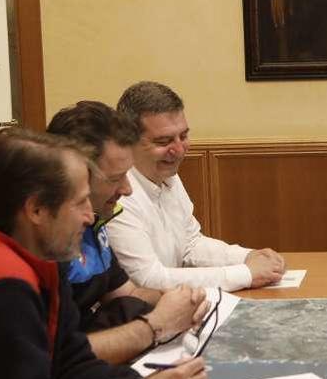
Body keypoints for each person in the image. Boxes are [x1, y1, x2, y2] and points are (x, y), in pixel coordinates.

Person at [0, 127, 205, 379]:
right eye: (79, 203)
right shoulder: (5, 285)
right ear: (37, 210)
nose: (90, 217)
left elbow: (72, 364)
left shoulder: (46, 262)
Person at [47, 100, 209, 365]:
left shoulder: (93, 224)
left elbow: (128, 294)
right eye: (114, 179)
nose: (127, 190)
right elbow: (58, 355)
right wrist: (154, 326)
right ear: (74, 177)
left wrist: (180, 301)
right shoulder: (43, 244)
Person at [107, 81, 285, 291]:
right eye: (164, 142)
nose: (179, 150)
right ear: (128, 142)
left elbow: (190, 245)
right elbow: (147, 280)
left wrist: (247, 256)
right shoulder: (116, 195)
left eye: (183, 136)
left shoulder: (166, 173)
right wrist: (246, 274)